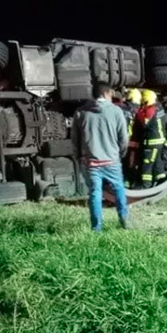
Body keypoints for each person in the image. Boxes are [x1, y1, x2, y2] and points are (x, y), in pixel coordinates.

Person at [71, 82, 130, 231]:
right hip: (111, 160)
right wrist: (120, 154)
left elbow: (75, 140)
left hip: (90, 162)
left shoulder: (80, 112)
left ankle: (96, 228)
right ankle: (124, 222)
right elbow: (124, 138)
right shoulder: (116, 111)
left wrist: (79, 157)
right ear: (107, 93)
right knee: (119, 190)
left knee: (95, 193)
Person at [134, 89, 167, 189]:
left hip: (152, 143)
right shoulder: (159, 108)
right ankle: (161, 183)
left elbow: (145, 124)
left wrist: (139, 112)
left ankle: (145, 185)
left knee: (147, 164)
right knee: (158, 164)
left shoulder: (150, 110)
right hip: (160, 142)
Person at [120, 88, 142, 187]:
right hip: (135, 142)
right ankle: (131, 183)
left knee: (123, 164)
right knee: (133, 164)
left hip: (122, 142)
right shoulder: (139, 111)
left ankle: (124, 183)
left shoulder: (121, 109)